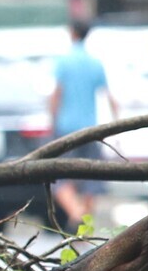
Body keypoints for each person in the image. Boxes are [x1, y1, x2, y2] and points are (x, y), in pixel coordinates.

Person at [49, 19, 118, 228]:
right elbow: (109, 96)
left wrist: (52, 120)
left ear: (71, 33)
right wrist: (117, 127)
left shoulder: (63, 61)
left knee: (58, 176)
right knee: (90, 176)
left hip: (66, 129)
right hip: (90, 129)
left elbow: (56, 95)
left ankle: (76, 212)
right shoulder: (95, 62)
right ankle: (85, 225)